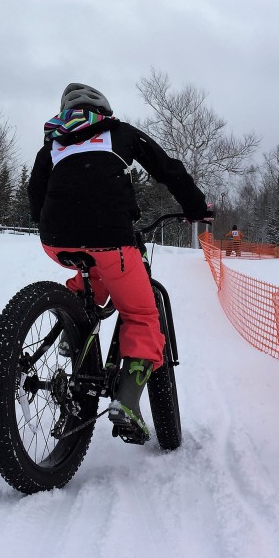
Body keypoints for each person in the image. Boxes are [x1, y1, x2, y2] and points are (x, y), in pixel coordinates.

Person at [28, 82, 212, 444]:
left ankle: (73, 330)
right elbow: (168, 169)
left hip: (56, 240)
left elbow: (36, 195)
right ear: (103, 108)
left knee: (94, 272)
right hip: (112, 238)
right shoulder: (120, 132)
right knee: (143, 315)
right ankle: (127, 401)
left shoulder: (52, 143)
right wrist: (195, 207)